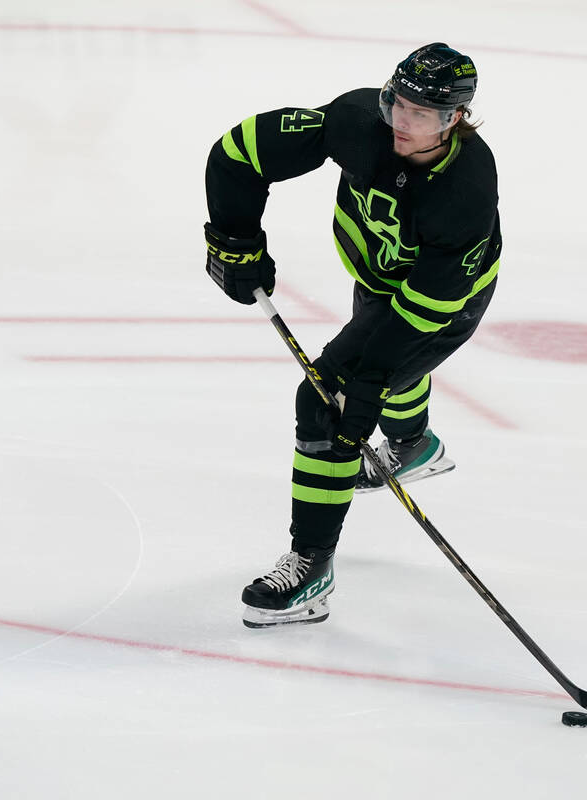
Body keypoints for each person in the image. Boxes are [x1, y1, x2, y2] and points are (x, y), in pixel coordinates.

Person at [204, 42, 502, 628]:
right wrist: (233, 238)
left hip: (443, 305)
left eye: (421, 115)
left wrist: (364, 386)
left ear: (456, 119)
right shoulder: (357, 121)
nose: (401, 122)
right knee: (376, 359)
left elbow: (418, 315)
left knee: (327, 403)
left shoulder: (465, 189)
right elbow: (239, 153)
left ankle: (311, 567)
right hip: (380, 279)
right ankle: (413, 445)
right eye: (397, 103)